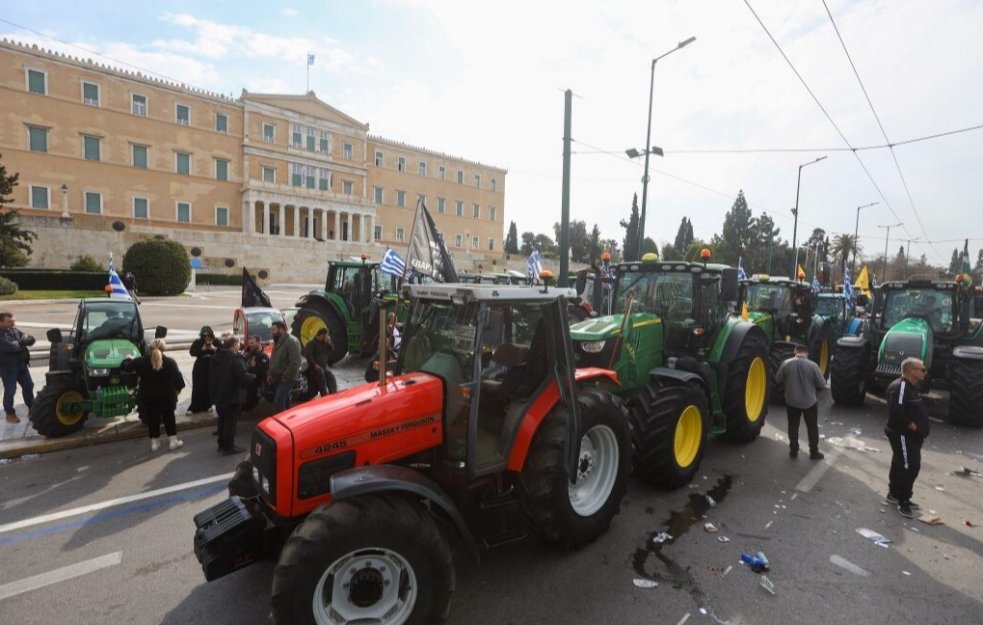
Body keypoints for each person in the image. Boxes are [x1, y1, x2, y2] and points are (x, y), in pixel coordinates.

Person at [885, 357, 930, 518]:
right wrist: (913, 426)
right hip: (903, 434)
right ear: (911, 370)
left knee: (899, 462)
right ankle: (903, 500)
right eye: (922, 369)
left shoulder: (912, 386)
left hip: (911, 436)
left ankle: (894, 493)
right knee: (910, 466)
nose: (925, 372)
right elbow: (896, 411)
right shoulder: (901, 386)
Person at [121, 339, 185, 452]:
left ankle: (154, 443)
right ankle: (173, 441)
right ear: (164, 349)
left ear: (149, 349)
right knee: (169, 418)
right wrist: (177, 391)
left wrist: (128, 359)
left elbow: (125, 367)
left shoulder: (141, 361)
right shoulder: (170, 362)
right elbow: (179, 381)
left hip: (148, 396)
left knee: (152, 418)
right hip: (167, 396)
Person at [774, 344, 827, 460]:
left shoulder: (786, 363)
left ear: (795, 352)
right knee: (812, 427)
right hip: (809, 402)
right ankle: (814, 452)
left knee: (793, 426)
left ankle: (793, 451)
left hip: (791, 401)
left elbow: (778, 379)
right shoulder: (813, 366)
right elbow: (822, 384)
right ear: (807, 353)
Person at [210, 335, 254, 454]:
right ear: (234, 345)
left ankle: (221, 444)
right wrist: (252, 377)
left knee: (222, 420)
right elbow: (243, 378)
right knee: (230, 423)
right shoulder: (235, 360)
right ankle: (229, 447)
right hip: (232, 395)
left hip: (219, 395)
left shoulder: (215, 358)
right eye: (238, 344)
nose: (239, 346)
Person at [0, 312, 34, 424]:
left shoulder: (14, 330)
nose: (13, 323)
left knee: (28, 385)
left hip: (22, 365)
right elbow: (11, 347)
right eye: (9, 322)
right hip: (8, 368)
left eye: (14, 321)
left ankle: (32, 408)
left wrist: (20, 342)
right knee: (10, 391)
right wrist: (23, 341)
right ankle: (10, 414)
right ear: (1, 322)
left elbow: (32, 339)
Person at [268, 321, 301, 412]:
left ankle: (282, 423)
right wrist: (270, 374)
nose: (272, 332)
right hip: (277, 377)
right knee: (284, 401)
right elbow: (273, 359)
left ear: (281, 329)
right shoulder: (278, 341)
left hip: (287, 378)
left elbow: (295, 362)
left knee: (278, 402)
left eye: (273, 330)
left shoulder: (291, 341)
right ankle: (288, 421)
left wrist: (286, 377)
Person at [188, 326, 217, 414]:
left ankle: (207, 405)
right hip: (200, 367)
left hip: (211, 366)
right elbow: (192, 352)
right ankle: (194, 407)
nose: (207, 337)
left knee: (208, 386)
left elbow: (223, 350)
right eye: (204, 336)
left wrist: (214, 348)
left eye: (208, 335)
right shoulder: (198, 342)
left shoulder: (215, 341)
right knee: (198, 386)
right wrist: (201, 349)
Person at [303, 328, 336, 397]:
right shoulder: (311, 343)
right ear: (322, 335)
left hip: (324, 365)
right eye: (326, 335)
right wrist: (315, 365)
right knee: (322, 380)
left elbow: (332, 349)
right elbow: (308, 355)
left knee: (331, 378)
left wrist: (329, 342)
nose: (327, 336)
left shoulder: (325, 342)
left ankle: (333, 396)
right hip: (315, 366)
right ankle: (324, 396)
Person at [242, 334, 270, 411]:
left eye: (252, 343)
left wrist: (251, 367)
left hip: (256, 385)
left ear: (259, 342)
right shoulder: (251, 352)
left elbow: (261, 372)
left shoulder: (263, 356)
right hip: (248, 381)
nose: (250, 345)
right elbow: (246, 365)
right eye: (249, 343)